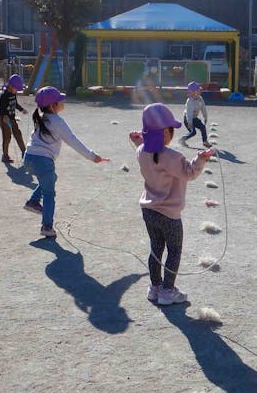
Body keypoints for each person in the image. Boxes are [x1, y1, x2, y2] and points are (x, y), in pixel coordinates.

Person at [129, 103, 216, 306]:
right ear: (164, 133)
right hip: (169, 214)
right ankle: (168, 291)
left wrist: (137, 140)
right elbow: (189, 173)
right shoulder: (173, 157)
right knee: (174, 250)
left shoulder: (142, 150)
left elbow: (145, 147)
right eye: (171, 130)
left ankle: (155, 288)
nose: (173, 134)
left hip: (148, 210)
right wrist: (201, 159)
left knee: (156, 249)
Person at [22, 86, 108, 238]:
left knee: (51, 178)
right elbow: (73, 141)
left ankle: (33, 201)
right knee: (49, 193)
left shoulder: (41, 118)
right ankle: (47, 227)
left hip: (28, 158)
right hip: (43, 161)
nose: (63, 101)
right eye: (59, 100)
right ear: (51, 105)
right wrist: (92, 156)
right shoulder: (57, 121)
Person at [0, 74, 28, 163]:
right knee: (7, 137)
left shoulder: (13, 93)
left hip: (12, 117)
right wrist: (4, 117)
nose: (17, 91)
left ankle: (24, 153)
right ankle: (5, 156)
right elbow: (2, 108)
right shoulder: (4, 95)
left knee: (18, 134)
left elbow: (15, 104)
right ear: (10, 86)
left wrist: (22, 110)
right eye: (16, 89)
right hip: (4, 118)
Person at [179, 81, 211, 148]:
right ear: (193, 92)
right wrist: (189, 122)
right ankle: (182, 140)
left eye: (199, 89)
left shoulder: (200, 98)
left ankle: (205, 141)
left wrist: (205, 117)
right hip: (188, 118)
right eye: (198, 90)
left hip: (194, 118)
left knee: (202, 127)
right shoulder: (190, 101)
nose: (200, 91)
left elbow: (203, 108)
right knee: (193, 132)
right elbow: (189, 113)